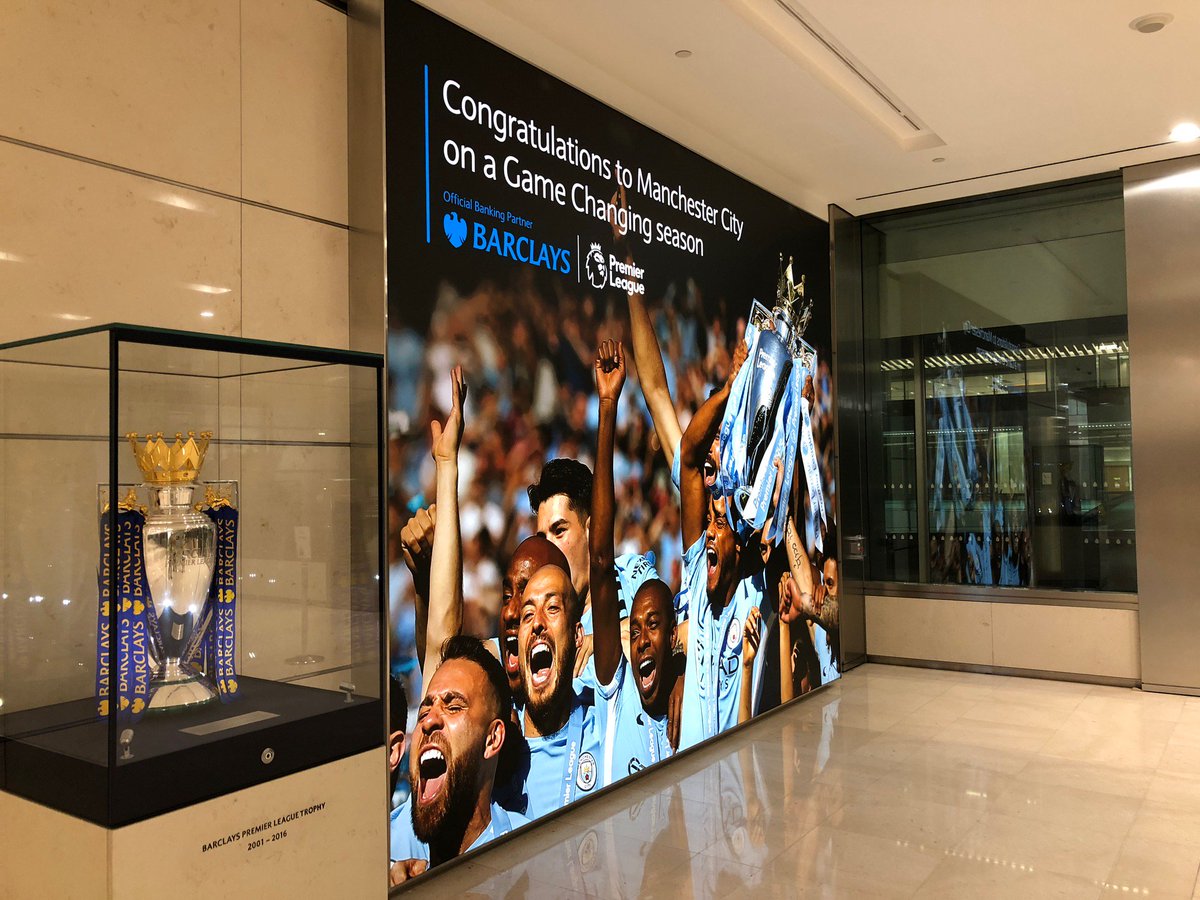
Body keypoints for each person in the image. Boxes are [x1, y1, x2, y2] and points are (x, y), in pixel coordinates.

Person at [590, 339, 679, 779]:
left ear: (675, 636)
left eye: (654, 624)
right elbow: (603, 563)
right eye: (635, 626)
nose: (641, 638)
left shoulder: (691, 706)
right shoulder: (616, 687)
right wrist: (608, 405)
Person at [676, 338, 764, 749]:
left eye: (719, 524)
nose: (709, 531)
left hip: (741, 790)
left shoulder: (756, 592)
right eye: (707, 522)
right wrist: (728, 389)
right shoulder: (697, 574)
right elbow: (688, 455)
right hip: (693, 791)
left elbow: (778, 507)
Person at [388, 635, 529, 885]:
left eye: (453, 707)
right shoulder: (381, 855)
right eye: (424, 711)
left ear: (492, 739)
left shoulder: (532, 858)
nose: (429, 721)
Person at [514, 562, 607, 818]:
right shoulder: (497, 751)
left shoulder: (604, 725)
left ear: (578, 636)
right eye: (527, 615)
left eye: (552, 608)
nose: (537, 624)